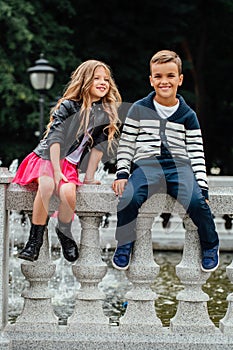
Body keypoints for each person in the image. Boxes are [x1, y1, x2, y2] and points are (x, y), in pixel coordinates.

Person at [111, 50, 219, 272]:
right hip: (147, 166)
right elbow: (127, 144)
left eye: (170, 76)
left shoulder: (188, 115)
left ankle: (210, 245)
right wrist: (122, 173)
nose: (164, 81)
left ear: (180, 79)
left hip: (179, 167)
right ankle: (124, 244)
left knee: (198, 203)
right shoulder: (138, 109)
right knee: (129, 198)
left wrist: (203, 187)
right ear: (151, 80)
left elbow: (197, 152)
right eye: (158, 76)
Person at [12, 59, 122, 263]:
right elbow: (54, 139)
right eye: (96, 78)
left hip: (69, 165)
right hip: (47, 158)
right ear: (85, 81)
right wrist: (55, 170)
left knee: (68, 192)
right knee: (46, 185)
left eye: (106, 79)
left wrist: (89, 177)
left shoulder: (104, 112)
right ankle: (34, 241)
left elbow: (97, 149)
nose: (103, 82)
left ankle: (65, 232)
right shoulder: (68, 106)